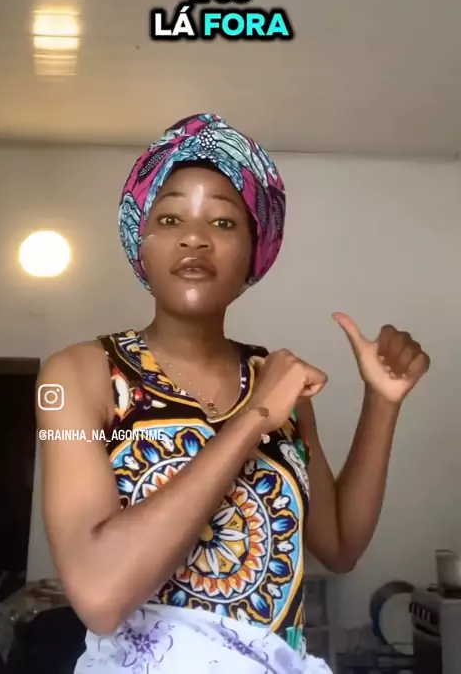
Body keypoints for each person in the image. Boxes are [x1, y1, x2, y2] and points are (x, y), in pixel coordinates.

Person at [36, 114, 430, 674]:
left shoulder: (281, 382)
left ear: (253, 254)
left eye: (223, 222)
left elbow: (340, 546)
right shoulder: (78, 374)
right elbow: (99, 596)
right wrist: (254, 417)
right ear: (140, 242)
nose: (194, 237)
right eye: (169, 218)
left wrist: (383, 402)